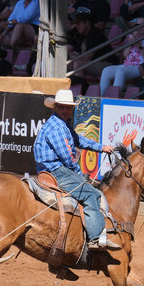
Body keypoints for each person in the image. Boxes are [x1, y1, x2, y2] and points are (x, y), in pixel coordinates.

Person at [33, 89, 118, 252]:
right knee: (92, 194)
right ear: (55, 107)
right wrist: (79, 175)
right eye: (62, 107)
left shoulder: (61, 124)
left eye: (68, 108)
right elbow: (67, 158)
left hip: (55, 168)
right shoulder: (57, 127)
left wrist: (101, 148)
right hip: (57, 170)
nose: (65, 111)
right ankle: (95, 239)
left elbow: (78, 139)